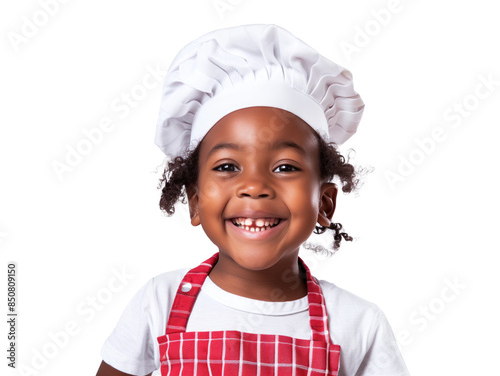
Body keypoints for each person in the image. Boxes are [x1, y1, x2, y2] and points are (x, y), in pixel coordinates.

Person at [96, 24, 410, 376]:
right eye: (228, 166)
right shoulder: (159, 302)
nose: (255, 186)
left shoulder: (358, 323)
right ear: (195, 202)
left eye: (285, 167)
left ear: (324, 204)